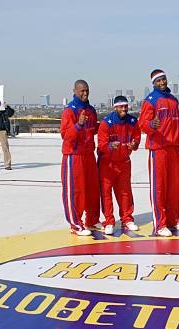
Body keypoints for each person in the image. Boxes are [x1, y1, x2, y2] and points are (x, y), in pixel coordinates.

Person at [138, 69, 179, 237]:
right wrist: (151, 124)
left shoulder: (173, 100)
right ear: (153, 83)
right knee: (159, 188)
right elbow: (142, 124)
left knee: (174, 188)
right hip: (158, 149)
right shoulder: (150, 101)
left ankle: (173, 220)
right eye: (159, 81)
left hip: (173, 148)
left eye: (164, 79)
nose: (162, 83)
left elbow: (178, 125)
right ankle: (160, 224)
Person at [60, 79, 101, 236]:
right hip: (74, 155)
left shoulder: (90, 110)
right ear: (75, 91)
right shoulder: (70, 111)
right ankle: (76, 224)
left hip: (89, 153)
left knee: (92, 189)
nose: (85, 93)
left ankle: (91, 220)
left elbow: (93, 130)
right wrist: (78, 125)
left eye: (87, 90)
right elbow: (65, 135)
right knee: (76, 191)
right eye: (82, 91)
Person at [97, 96, 141, 235]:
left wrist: (134, 145)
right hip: (107, 164)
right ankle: (109, 221)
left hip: (124, 162)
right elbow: (102, 144)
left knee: (125, 192)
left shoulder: (133, 121)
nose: (124, 109)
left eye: (125, 106)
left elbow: (137, 139)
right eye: (121, 107)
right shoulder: (106, 123)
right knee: (106, 193)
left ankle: (127, 219)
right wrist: (110, 145)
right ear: (115, 107)